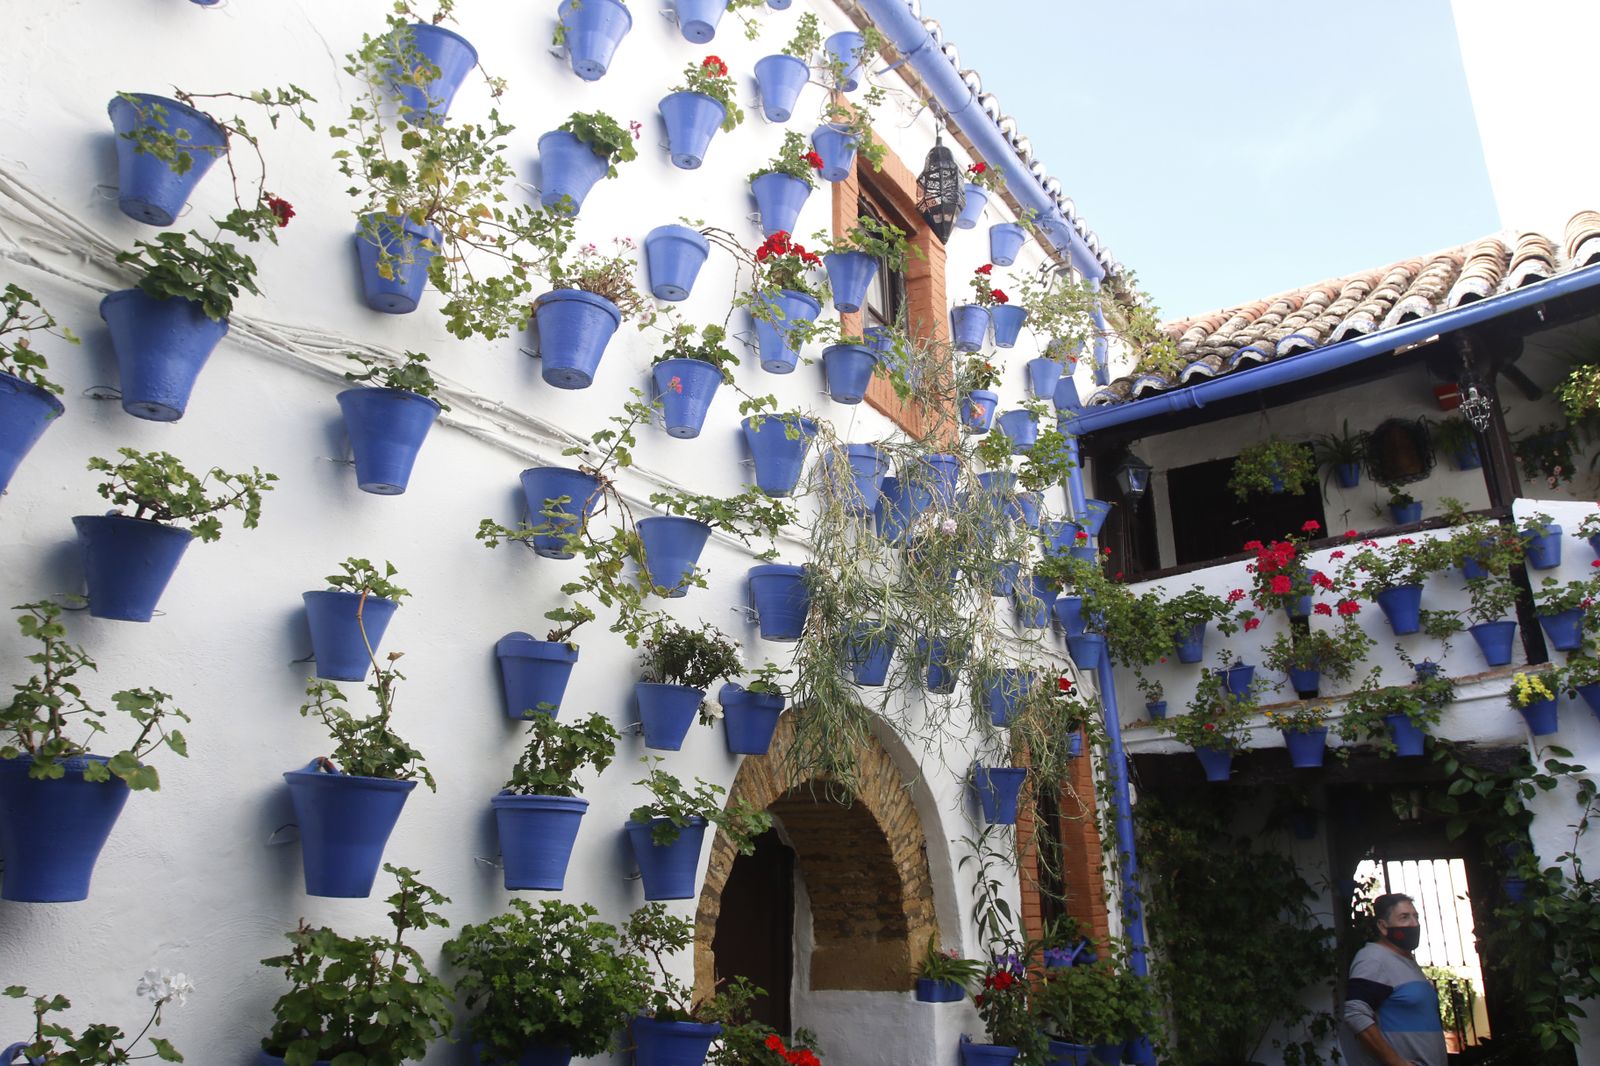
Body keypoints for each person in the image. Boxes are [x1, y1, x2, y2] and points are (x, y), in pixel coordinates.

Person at [1343, 893, 1447, 1066]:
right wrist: (1397, 1063)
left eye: (1416, 917)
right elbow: (1355, 1013)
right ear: (1383, 926)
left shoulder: (1407, 960)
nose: (1414, 924)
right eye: (1404, 917)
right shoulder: (1373, 958)